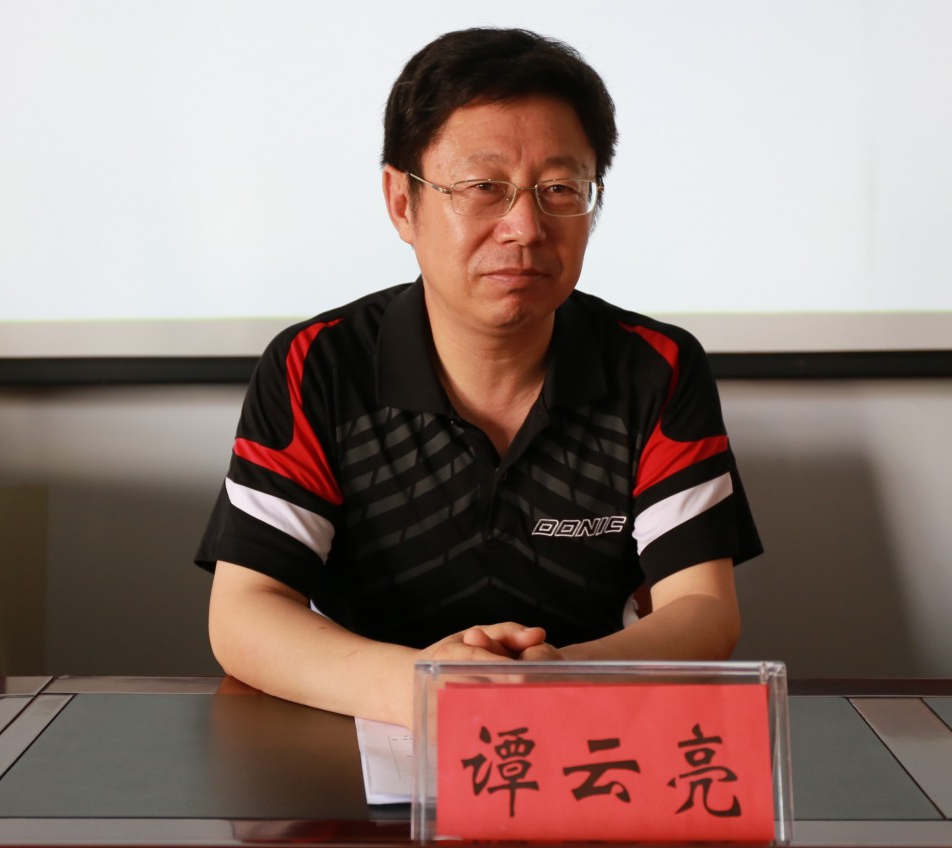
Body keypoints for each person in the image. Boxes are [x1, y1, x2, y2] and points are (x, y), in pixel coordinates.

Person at [196, 27, 761, 728]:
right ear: (402, 202)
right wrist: (424, 689)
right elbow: (245, 613)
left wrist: (557, 681)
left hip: (585, 738)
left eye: (560, 188)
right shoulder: (317, 365)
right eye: (484, 187)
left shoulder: (656, 367)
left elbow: (702, 608)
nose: (525, 227)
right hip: (360, 740)